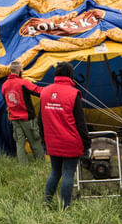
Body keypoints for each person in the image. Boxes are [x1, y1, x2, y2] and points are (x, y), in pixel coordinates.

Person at [38, 62, 91, 209]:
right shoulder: (73, 94)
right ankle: (64, 207)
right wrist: (87, 142)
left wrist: (45, 140)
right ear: (70, 75)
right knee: (68, 173)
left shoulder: (45, 92)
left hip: (52, 141)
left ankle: (46, 202)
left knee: (55, 172)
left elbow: (40, 120)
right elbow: (81, 123)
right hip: (70, 142)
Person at [1, 61, 44, 163]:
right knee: (35, 141)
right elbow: (38, 91)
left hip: (14, 120)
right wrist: (52, 90)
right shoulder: (22, 82)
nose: (23, 71)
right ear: (18, 70)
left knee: (19, 143)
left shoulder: (4, 85)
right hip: (27, 119)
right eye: (22, 69)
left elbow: (5, 101)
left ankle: (23, 166)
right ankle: (41, 163)